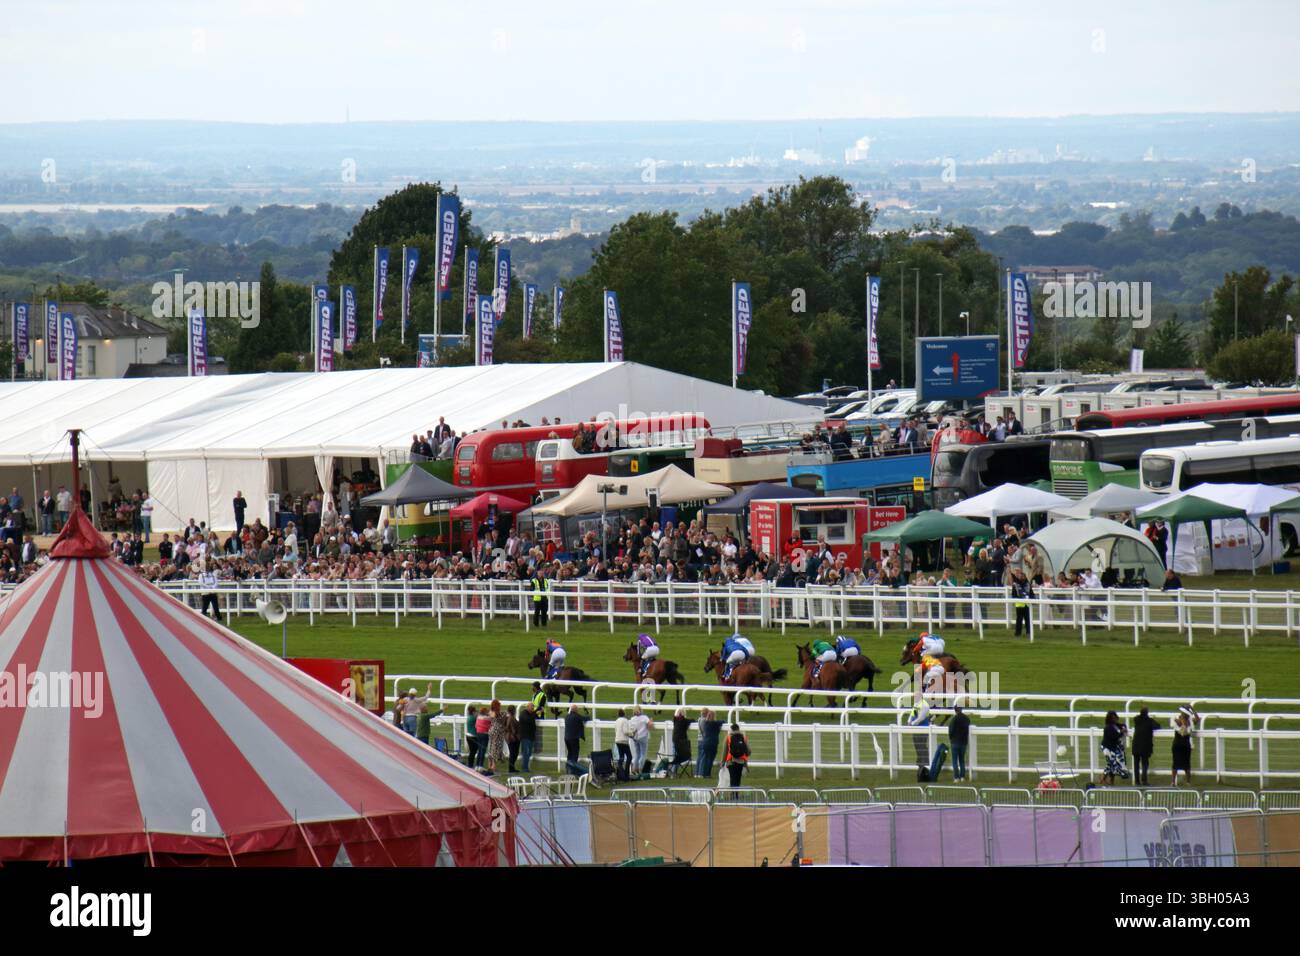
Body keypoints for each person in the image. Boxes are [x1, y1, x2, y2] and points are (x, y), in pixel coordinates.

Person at [1171, 705, 1200, 786]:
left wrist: (1193, 710)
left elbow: (1197, 720)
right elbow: (1182, 729)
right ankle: (1173, 781)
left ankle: (1188, 781)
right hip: (1177, 744)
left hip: (1186, 745)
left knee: (1187, 764)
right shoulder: (1176, 719)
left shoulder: (1190, 720)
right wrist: (1183, 719)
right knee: (1175, 763)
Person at [1099, 710, 1131, 786]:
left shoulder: (1115, 725)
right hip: (1107, 748)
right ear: (1110, 719)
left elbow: (1123, 725)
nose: (1115, 719)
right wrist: (1122, 732)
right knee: (1110, 764)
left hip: (1112, 748)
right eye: (1113, 718)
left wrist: (1124, 728)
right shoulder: (1108, 727)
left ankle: (1106, 779)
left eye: (1115, 717)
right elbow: (1114, 737)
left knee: (1111, 764)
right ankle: (1104, 778)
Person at [1132, 706, 1158, 786]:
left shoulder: (1136, 719)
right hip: (1145, 746)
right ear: (1147, 713)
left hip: (1136, 745)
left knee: (1136, 764)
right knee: (1144, 764)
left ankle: (1137, 781)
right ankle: (1144, 780)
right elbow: (1157, 726)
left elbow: (1136, 718)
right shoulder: (1149, 721)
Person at [696, 708, 724, 778]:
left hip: (705, 742)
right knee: (710, 759)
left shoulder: (705, 723)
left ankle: (702, 773)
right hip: (713, 743)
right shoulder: (715, 723)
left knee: (704, 758)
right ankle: (706, 774)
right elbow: (722, 721)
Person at [563, 703, 590, 776]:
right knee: (575, 754)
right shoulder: (576, 716)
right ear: (576, 710)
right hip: (573, 738)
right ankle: (573, 769)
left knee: (570, 753)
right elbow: (586, 718)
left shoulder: (567, 717)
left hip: (566, 738)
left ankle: (568, 768)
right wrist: (587, 713)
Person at [627, 706, 653, 777]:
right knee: (643, 754)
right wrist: (651, 721)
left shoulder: (632, 719)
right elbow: (650, 725)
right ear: (640, 711)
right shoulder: (644, 717)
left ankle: (634, 769)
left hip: (635, 738)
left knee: (637, 754)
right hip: (643, 737)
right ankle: (640, 768)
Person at [908, 696, 931, 774]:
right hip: (916, 729)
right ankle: (921, 762)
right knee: (917, 746)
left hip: (923, 729)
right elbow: (912, 713)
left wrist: (912, 723)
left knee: (921, 746)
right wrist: (909, 721)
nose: (913, 698)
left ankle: (924, 762)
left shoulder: (925, 705)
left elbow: (921, 717)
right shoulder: (916, 704)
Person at [722, 723, 749, 787]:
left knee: (732, 779)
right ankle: (736, 794)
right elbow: (748, 751)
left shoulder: (728, 737)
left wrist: (723, 761)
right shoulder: (743, 737)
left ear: (731, 729)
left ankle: (733, 795)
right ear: (738, 729)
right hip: (741, 761)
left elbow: (725, 751)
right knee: (738, 779)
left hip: (731, 761)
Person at [948, 704, 971, 781]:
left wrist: (951, 739)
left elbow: (950, 731)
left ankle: (956, 777)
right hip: (963, 742)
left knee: (955, 760)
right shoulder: (966, 719)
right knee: (962, 760)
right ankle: (962, 776)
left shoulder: (954, 719)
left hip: (955, 742)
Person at [1011, 569, 1034, 637]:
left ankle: (1028, 632)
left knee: (1028, 619)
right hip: (1019, 605)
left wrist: (1031, 599)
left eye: (1023, 576)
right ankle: (1018, 633)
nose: (1022, 577)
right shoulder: (1015, 585)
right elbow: (1013, 594)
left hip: (1027, 604)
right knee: (1019, 619)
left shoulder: (1028, 584)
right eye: (1020, 576)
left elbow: (1031, 593)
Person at [670, 709, 693, 773]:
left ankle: (672, 770)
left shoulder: (675, 719)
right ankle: (674, 770)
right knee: (679, 755)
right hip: (681, 741)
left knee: (675, 754)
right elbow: (692, 720)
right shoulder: (684, 721)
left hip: (674, 739)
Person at [517, 702, 538, 772]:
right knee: (526, 753)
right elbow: (528, 720)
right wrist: (535, 713)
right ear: (528, 707)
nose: (532, 709)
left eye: (533, 708)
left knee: (528, 753)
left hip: (530, 737)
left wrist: (535, 713)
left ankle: (525, 767)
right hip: (525, 737)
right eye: (532, 708)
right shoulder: (523, 713)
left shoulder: (530, 714)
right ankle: (524, 768)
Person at [613, 708, 633, 780]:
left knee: (621, 757)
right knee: (629, 757)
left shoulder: (616, 721)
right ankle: (626, 774)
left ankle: (620, 772)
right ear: (624, 714)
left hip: (617, 741)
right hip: (624, 741)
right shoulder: (625, 720)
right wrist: (631, 733)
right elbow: (625, 731)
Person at [473, 705, 492, 770]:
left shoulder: (478, 717)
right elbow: (491, 722)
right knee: (482, 750)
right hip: (484, 734)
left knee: (479, 749)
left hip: (478, 734)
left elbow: (476, 726)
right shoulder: (487, 718)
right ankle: (480, 765)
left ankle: (477, 765)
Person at [505, 705, 521, 773]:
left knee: (513, 753)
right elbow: (513, 729)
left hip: (510, 737)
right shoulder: (511, 718)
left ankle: (512, 767)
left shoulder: (510, 718)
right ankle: (511, 768)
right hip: (513, 738)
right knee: (513, 753)